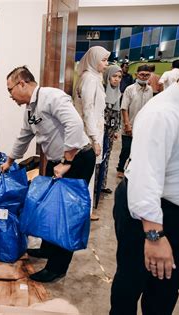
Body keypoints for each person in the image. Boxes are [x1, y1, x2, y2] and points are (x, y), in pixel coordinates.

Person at [110, 39, 179, 315]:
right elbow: (145, 177)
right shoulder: (163, 112)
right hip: (152, 212)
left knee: (167, 289)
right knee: (132, 282)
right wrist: (154, 236)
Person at [0, 66, 95, 283]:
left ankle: (57, 267)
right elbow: (24, 136)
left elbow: (75, 124)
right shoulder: (30, 109)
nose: (10, 96)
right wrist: (10, 161)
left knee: (64, 215)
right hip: (59, 162)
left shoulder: (53, 97)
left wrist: (67, 162)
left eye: (10, 89)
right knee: (50, 209)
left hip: (77, 160)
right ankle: (47, 250)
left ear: (22, 83)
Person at [74, 46, 110, 221]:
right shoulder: (90, 79)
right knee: (87, 172)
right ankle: (84, 212)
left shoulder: (94, 77)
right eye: (103, 60)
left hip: (93, 130)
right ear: (93, 60)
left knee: (89, 172)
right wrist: (95, 139)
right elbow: (87, 110)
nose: (106, 63)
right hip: (89, 133)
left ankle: (85, 211)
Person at [116, 64, 153, 178]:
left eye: (147, 75)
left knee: (137, 149)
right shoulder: (130, 89)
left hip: (142, 126)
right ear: (137, 75)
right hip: (129, 125)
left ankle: (130, 168)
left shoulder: (150, 90)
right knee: (126, 149)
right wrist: (127, 124)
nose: (144, 77)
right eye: (142, 75)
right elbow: (124, 108)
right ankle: (120, 168)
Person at [100, 65, 122, 195]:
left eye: (119, 77)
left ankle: (102, 184)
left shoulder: (118, 92)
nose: (117, 79)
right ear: (108, 76)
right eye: (114, 76)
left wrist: (116, 129)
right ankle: (94, 186)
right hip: (100, 130)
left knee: (107, 157)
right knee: (98, 157)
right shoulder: (101, 91)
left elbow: (117, 112)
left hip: (110, 130)